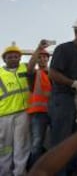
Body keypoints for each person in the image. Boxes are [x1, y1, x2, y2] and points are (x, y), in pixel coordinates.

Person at [48, 16, 77, 175]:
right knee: (61, 140)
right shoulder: (63, 49)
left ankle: (73, 172)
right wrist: (74, 84)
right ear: (76, 31)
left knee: (75, 141)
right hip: (62, 100)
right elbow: (53, 73)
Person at [0, 43, 32, 175]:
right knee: (5, 147)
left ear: (20, 58)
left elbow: (34, 65)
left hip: (23, 113)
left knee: (21, 145)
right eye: (10, 57)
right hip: (4, 116)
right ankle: (5, 172)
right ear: (4, 59)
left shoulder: (25, 69)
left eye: (16, 56)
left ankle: (19, 172)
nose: (13, 58)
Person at [26, 41, 52, 169]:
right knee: (36, 143)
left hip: (53, 112)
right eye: (40, 57)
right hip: (38, 112)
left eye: (44, 57)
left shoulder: (53, 73)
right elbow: (30, 67)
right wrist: (39, 48)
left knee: (54, 142)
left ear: (48, 59)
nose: (42, 59)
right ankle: (33, 170)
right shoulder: (35, 74)